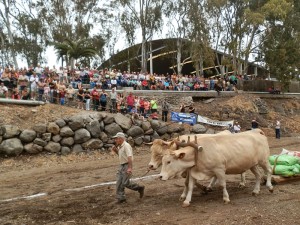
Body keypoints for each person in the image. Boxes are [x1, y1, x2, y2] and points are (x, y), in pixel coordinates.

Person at [111, 132, 145, 204]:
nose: (115, 140)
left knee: (125, 183)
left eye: (116, 139)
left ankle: (139, 188)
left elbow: (129, 157)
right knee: (119, 182)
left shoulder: (126, 145)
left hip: (127, 165)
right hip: (121, 165)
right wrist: (116, 150)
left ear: (120, 139)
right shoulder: (120, 146)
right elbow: (121, 156)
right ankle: (121, 198)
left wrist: (130, 168)